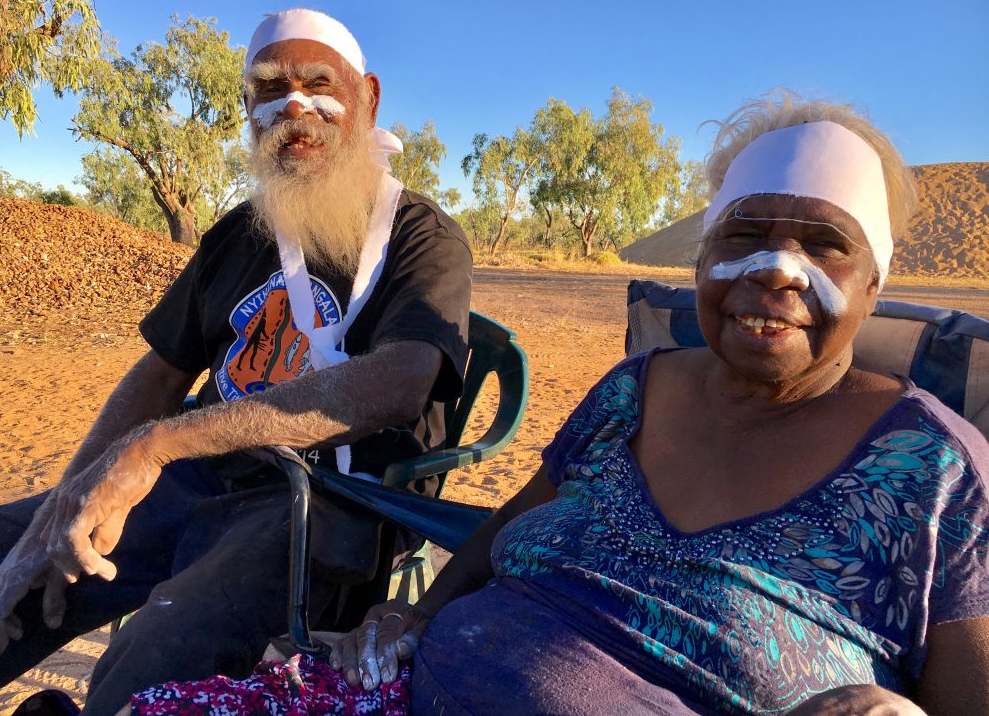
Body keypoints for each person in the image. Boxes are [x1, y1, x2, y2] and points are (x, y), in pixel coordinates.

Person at [322, 94, 989, 715]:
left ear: (874, 283)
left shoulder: (936, 473)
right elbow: (510, 524)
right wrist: (416, 613)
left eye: (824, 244)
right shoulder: (631, 391)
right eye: (742, 234)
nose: (776, 269)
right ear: (701, 259)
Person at [0, 8, 472, 714]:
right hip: (190, 483)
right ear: (248, 111)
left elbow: (401, 381)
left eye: (319, 84)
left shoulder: (420, 237)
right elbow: (162, 371)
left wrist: (158, 444)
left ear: (370, 99)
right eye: (269, 89)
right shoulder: (240, 232)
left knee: (150, 664)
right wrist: (67, 498)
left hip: (316, 510)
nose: (296, 107)